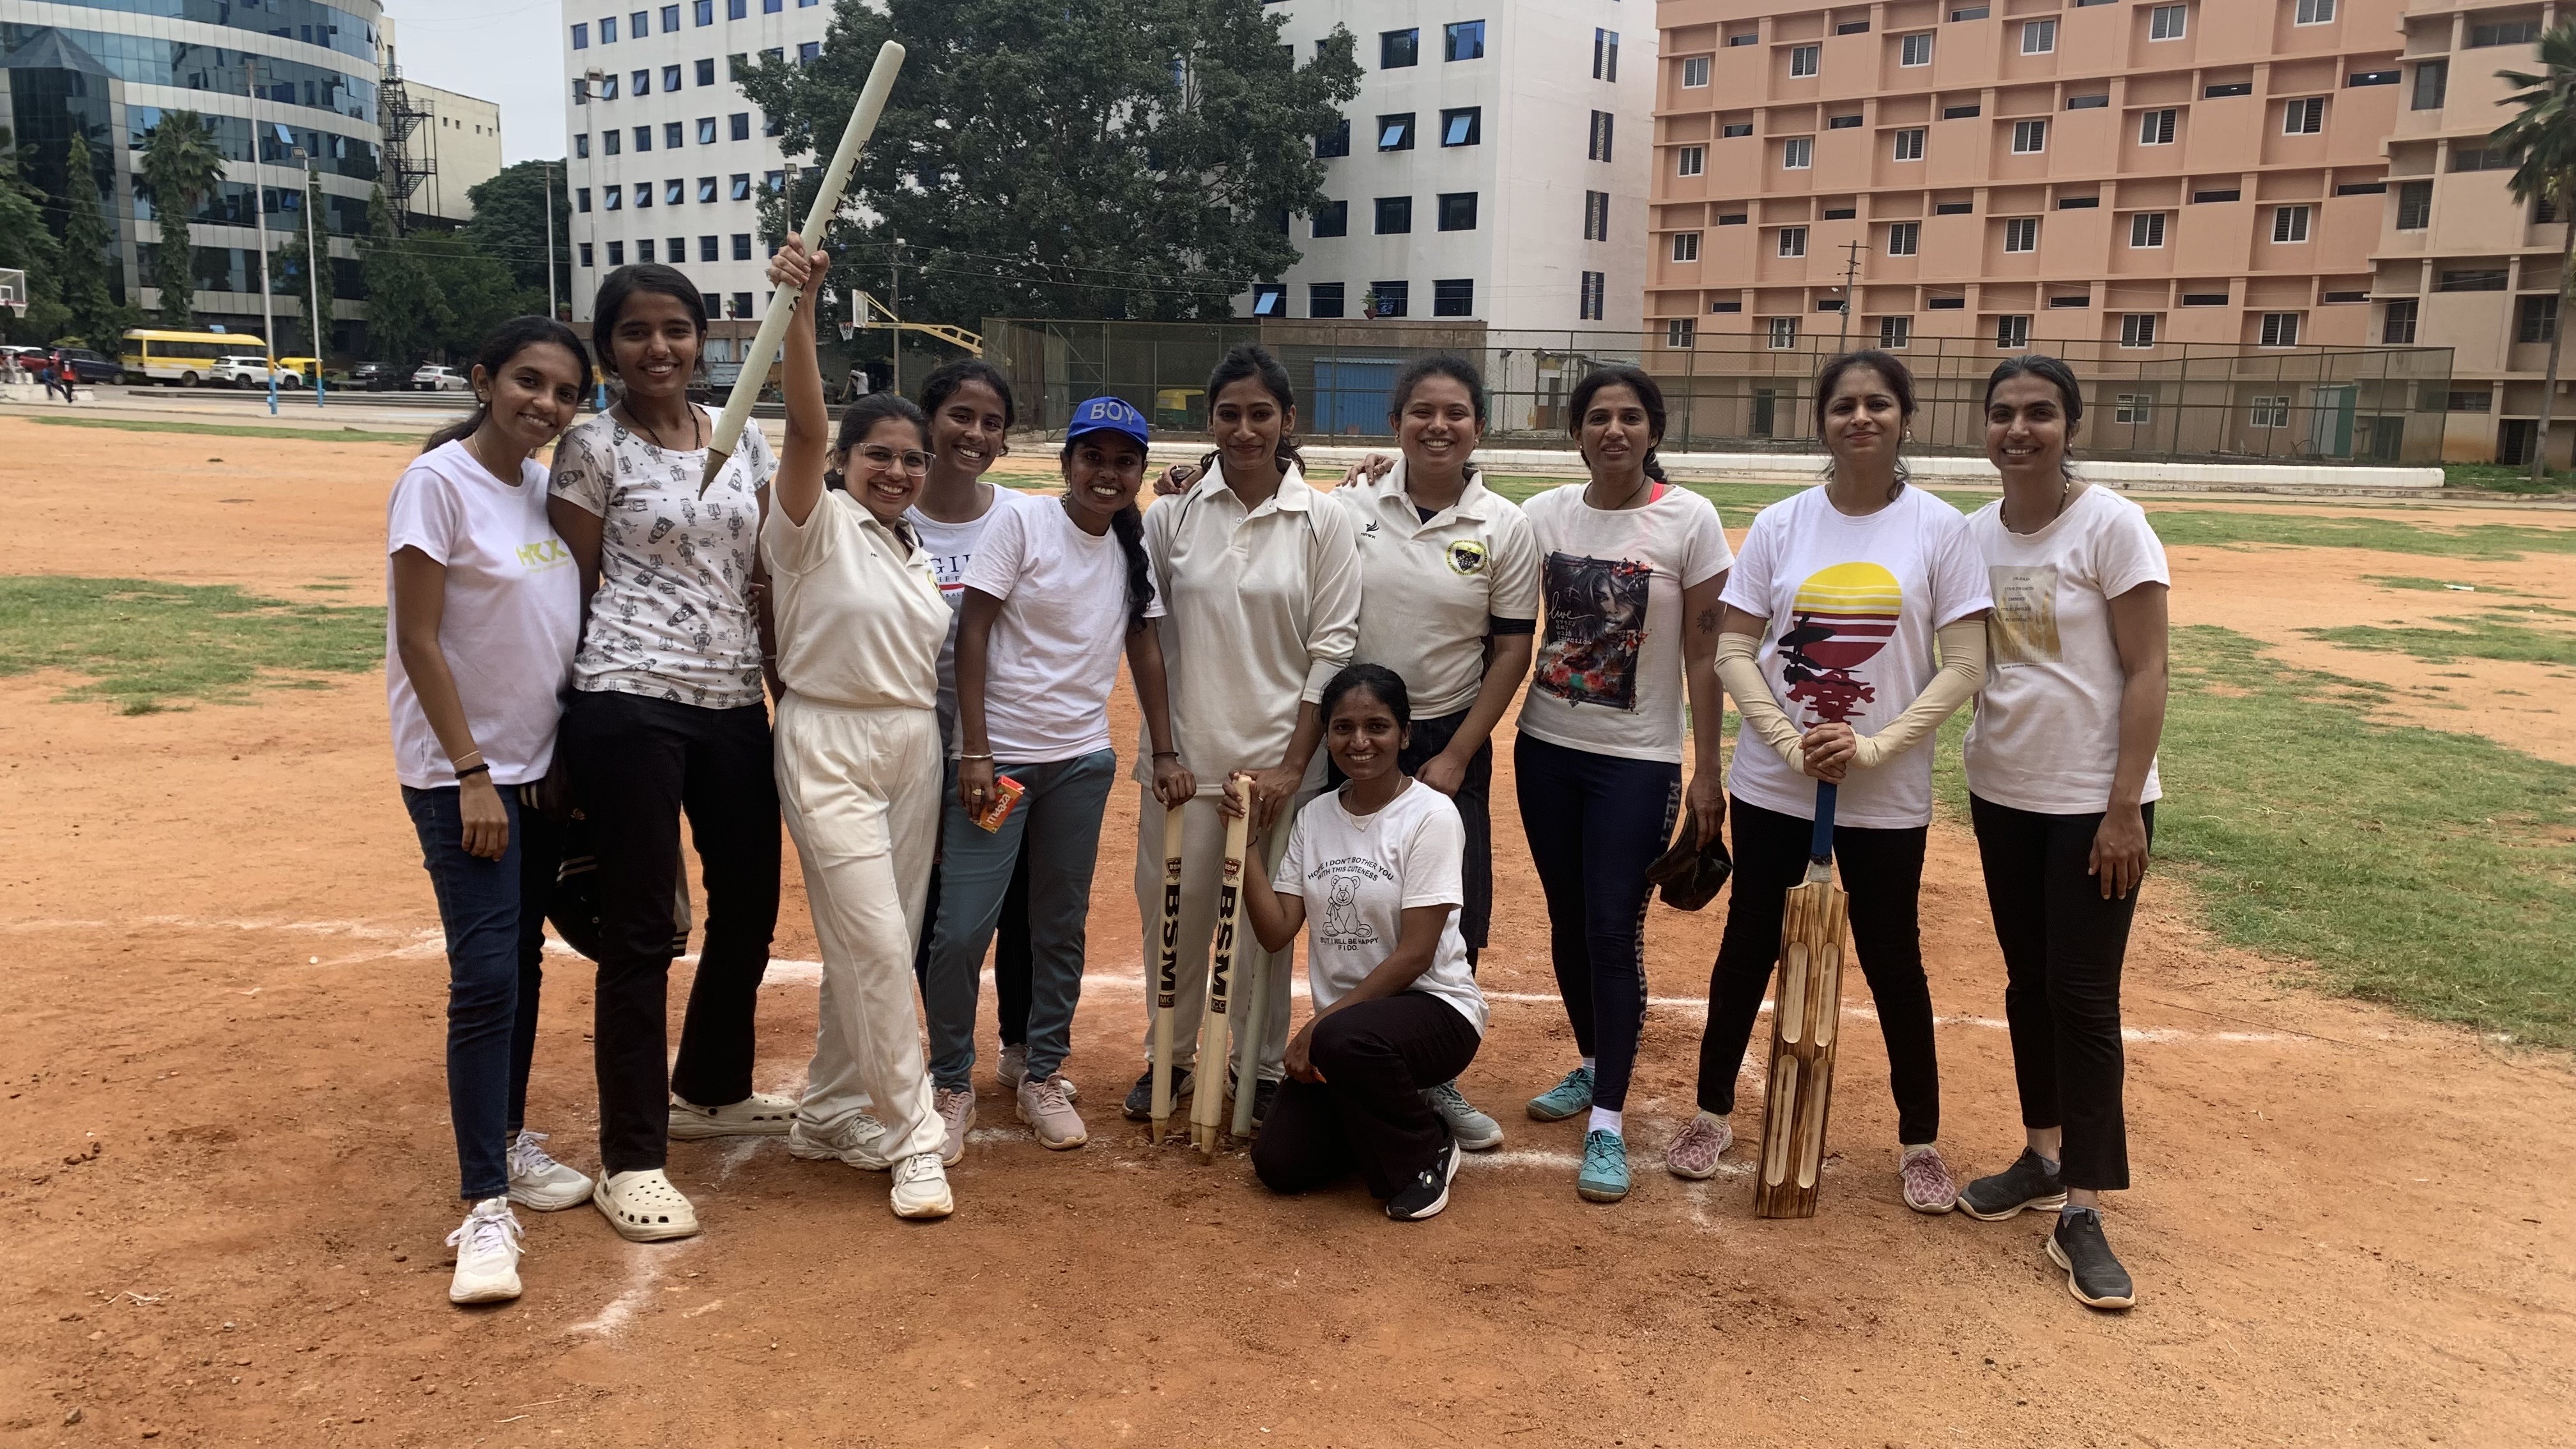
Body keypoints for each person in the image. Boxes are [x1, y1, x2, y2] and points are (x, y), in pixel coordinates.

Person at [1676, 350, 1991, 1214]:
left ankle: (1919, 1141)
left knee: (1895, 958)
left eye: (1879, 404)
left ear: (1905, 417)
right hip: (1776, 785)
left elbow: (1966, 665)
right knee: (1750, 944)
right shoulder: (1782, 525)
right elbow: (1735, 648)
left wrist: (1877, 748)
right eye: (1845, 404)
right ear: (1823, 420)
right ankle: (1711, 1112)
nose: (1862, 418)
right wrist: (1786, 739)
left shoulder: (1942, 529)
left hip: (1884, 792)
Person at [547, 264, 787, 1243]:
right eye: (638, 333)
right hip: (629, 699)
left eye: (677, 330)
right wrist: (563, 730)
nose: (661, 349)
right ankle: (632, 1158)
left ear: (703, 341)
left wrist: (781, 685)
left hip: (733, 700)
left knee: (752, 907)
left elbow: (765, 576)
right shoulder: (590, 447)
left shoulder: (743, 438)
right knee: (644, 933)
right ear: (609, 348)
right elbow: (570, 591)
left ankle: (712, 1088)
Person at [383, 315, 594, 1302]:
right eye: (527, 382)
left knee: (519, 961)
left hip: (536, 774)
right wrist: (472, 770)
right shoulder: (438, 485)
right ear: (483, 380)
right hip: (462, 778)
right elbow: (420, 639)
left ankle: (507, 1144)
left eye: (561, 392)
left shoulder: (544, 490)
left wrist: (545, 763)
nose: (544, 404)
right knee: (484, 981)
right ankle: (483, 1209)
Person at [920, 395, 1193, 1153]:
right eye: (1093, 458)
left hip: (1079, 765)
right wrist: (974, 751)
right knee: (961, 929)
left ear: (1139, 470)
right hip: (998, 766)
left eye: (1123, 461)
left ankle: (1041, 1071)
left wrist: (1164, 750)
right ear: (1068, 462)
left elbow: (1144, 650)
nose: (1107, 474)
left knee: (1058, 926)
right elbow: (971, 629)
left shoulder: (1128, 549)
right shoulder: (1024, 522)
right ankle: (949, 1082)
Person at [1954, 356, 2168, 1312]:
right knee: (2026, 983)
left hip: (2095, 804)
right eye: (2003, 414)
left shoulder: (2111, 526)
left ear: (2070, 426)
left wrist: (2125, 805)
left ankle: (2084, 1205)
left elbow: (2149, 669)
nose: (2019, 430)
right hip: (2003, 792)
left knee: (2083, 995)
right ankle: (2042, 1155)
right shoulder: (1971, 536)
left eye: (2040, 414)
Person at [760, 238, 956, 1218]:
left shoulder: (912, 549)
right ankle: (913, 1137)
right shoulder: (812, 523)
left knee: (875, 941)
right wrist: (803, 311)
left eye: (912, 459)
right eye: (878, 455)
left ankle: (832, 1107)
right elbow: (798, 428)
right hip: (827, 739)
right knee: (878, 944)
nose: (897, 470)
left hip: (909, 745)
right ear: (844, 462)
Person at [1124, 343, 1360, 1131]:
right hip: (1187, 760)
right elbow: (1147, 632)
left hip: (1278, 766)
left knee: (1264, 930)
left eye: (1262, 414)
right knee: (1177, 913)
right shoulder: (1174, 514)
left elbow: (1333, 644)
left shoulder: (1324, 519)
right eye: (1230, 414)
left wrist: (1295, 766)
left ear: (1288, 421)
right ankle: (1175, 1057)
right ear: (1211, 419)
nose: (1245, 429)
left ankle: (1256, 1068)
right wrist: (1165, 751)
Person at [1515, 367, 1733, 1204]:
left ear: (1653, 430)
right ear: (1578, 433)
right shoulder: (1545, 516)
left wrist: (1705, 771)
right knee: (1569, 920)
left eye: (1630, 417)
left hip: (1637, 764)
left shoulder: (1689, 519)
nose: (1614, 430)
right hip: (1546, 748)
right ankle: (1597, 1060)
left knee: (1612, 927)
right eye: (1599, 417)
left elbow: (1706, 655)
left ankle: (1607, 1120)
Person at [1324, 355, 1538, 1153]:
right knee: (1346, 890)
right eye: (1421, 411)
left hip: (1449, 732)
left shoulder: (1503, 526)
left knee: (1448, 908)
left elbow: (1511, 651)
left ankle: (1430, 1068)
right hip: (1352, 727)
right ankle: (1335, 1050)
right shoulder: (1349, 506)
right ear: (1396, 425)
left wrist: (1457, 756)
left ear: (1478, 426)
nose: (1437, 425)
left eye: (1454, 412)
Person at [1238, 664, 1489, 1222]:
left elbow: (1416, 953)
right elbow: (1277, 932)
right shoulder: (1315, 816)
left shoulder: (1431, 814)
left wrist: (1320, 1028)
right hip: (1349, 1037)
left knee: (1351, 1052)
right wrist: (1249, 842)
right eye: (1343, 728)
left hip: (1435, 1012)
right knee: (1281, 1165)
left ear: (1404, 733)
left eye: (1377, 726)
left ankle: (1427, 1148)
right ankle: (1382, 1107)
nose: (1359, 742)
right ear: (1326, 735)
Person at [901, 359, 1057, 1158]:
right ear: (930, 420)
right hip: (905, 737)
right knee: (933, 902)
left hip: (1001, 743)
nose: (976, 434)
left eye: (992, 422)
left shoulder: (1021, 516)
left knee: (1021, 892)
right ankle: (936, 1065)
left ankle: (1025, 1049)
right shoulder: (886, 511)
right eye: (961, 416)